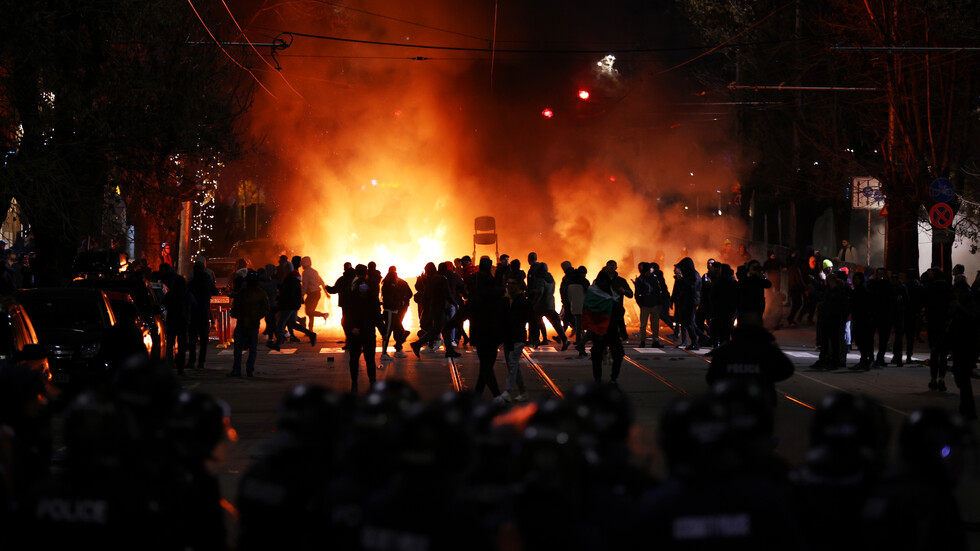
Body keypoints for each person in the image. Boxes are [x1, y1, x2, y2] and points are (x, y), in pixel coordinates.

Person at [704, 317, 794, 408]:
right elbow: (787, 369)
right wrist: (766, 377)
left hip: (733, 400)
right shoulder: (767, 349)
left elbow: (712, 377)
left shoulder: (726, 349)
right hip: (762, 400)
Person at [585, 268, 627, 384]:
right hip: (599, 331)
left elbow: (619, 314)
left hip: (611, 330)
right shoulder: (593, 293)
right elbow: (588, 312)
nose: (604, 284)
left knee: (618, 355)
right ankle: (598, 379)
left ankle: (613, 378)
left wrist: (623, 330)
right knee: (597, 357)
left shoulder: (611, 295)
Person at [344, 264, 380, 393]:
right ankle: (372, 382)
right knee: (369, 359)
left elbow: (346, 314)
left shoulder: (351, 292)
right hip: (367, 331)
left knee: (355, 358)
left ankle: (356, 382)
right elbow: (377, 315)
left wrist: (351, 328)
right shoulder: (371, 294)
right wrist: (383, 330)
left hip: (358, 332)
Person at [229, 271, 271, 377]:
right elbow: (266, 308)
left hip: (243, 323)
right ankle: (249, 369)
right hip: (252, 324)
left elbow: (236, 306)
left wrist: (237, 314)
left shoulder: (243, 292)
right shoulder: (260, 293)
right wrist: (257, 316)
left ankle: (237, 369)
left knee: (238, 349)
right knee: (252, 349)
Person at [500, 276, 534, 402]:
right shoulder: (504, 301)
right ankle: (523, 391)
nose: (510, 286)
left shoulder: (524, 302)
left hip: (518, 336)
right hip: (507, 337)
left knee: (513, 363)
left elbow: (532, 320)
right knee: (512, 365)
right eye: (509, 283)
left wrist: (534, 337)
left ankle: (507, 391)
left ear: (519, 286)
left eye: (513, 283)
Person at [187, 261, 218, 370]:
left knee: (192, 338)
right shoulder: (206, 281)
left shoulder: (192, 282)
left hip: (194, 313)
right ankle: (201, 362)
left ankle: (192, 361)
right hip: (204, 312)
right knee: (204, 339)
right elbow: (215, 291)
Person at [380, 266, 413, 359]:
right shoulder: (388, 286)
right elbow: (390, 299)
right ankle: (384, 353)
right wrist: (400, 302)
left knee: (399, 330)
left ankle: (397, 350)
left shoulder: (391, 285)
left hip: (394, 312)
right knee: (388, 332)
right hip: (390, 312)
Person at [164, 275, 192, 375]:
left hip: (172, 321)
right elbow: (194, 304)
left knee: (170, 344)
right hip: (182, 321)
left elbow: (165, 304)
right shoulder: (186, 294)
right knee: (181, 346)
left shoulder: (170, 294)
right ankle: (180, 367)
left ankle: (170, 364)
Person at [671, 257, 701, 350]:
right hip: (687, 301)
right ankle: (695, 341)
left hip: (692, 301)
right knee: (686, 322)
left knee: (690, 322)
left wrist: (681, 279)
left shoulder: (694, 275)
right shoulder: (689, 275)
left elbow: (691, 287)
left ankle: (696, 341)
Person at [634, 262, 663, 348]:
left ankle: (655, 340)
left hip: (654, 305)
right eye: (650, 268)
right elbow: (637, 294)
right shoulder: (640, 279)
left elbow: (659, 290)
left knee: (655, 324)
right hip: (645, 305)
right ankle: (643, 341)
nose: (652, 270)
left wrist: (659, 302)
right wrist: (641, 304)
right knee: (643, 324)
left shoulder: (655, 278)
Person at [300, 256, 328, 332]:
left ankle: (323, 315)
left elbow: (305, 285)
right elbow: (322, 282)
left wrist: (302, 295)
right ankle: (310, 330)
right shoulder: (315, 271)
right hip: (317, 294)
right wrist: (326, 293)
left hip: (312, 294)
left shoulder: (305, 272)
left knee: (309, 312)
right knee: (311, 312)